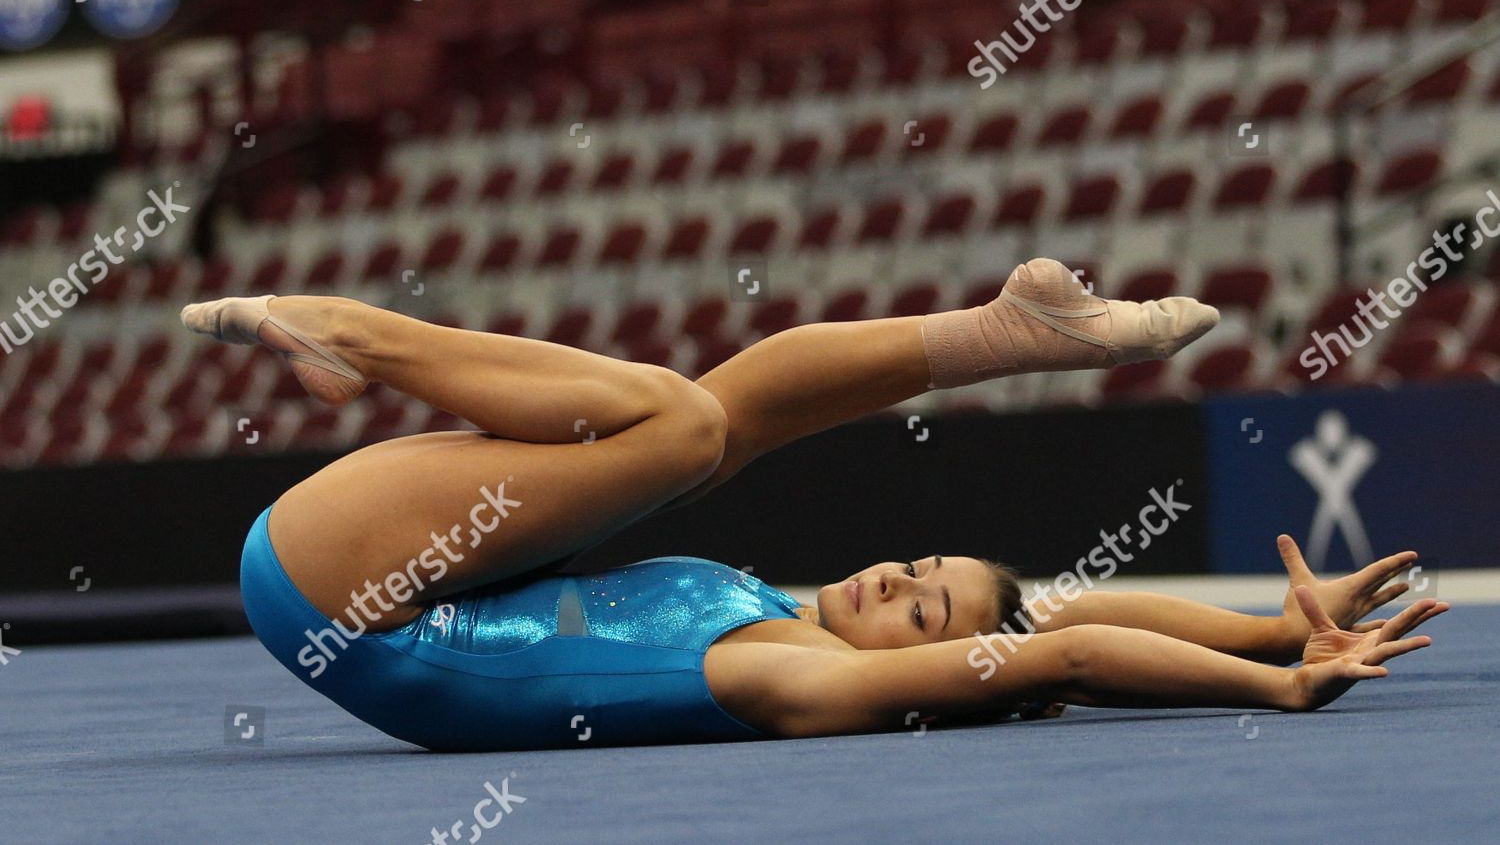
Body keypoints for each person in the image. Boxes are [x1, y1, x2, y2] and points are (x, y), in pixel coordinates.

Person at [184, 258, 1445, 750]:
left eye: (917, 611)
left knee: (680, 426)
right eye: (916, 565)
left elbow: (1046, 653)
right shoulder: (783, 617)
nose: (893, 581)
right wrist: (1278, 629)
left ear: (946, 669)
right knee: (725, 422)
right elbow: (1065, 616)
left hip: (338, 588)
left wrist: (1278, 694)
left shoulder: (799, 680)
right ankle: (1008, 335)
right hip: (397, 579)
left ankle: (352, 331)